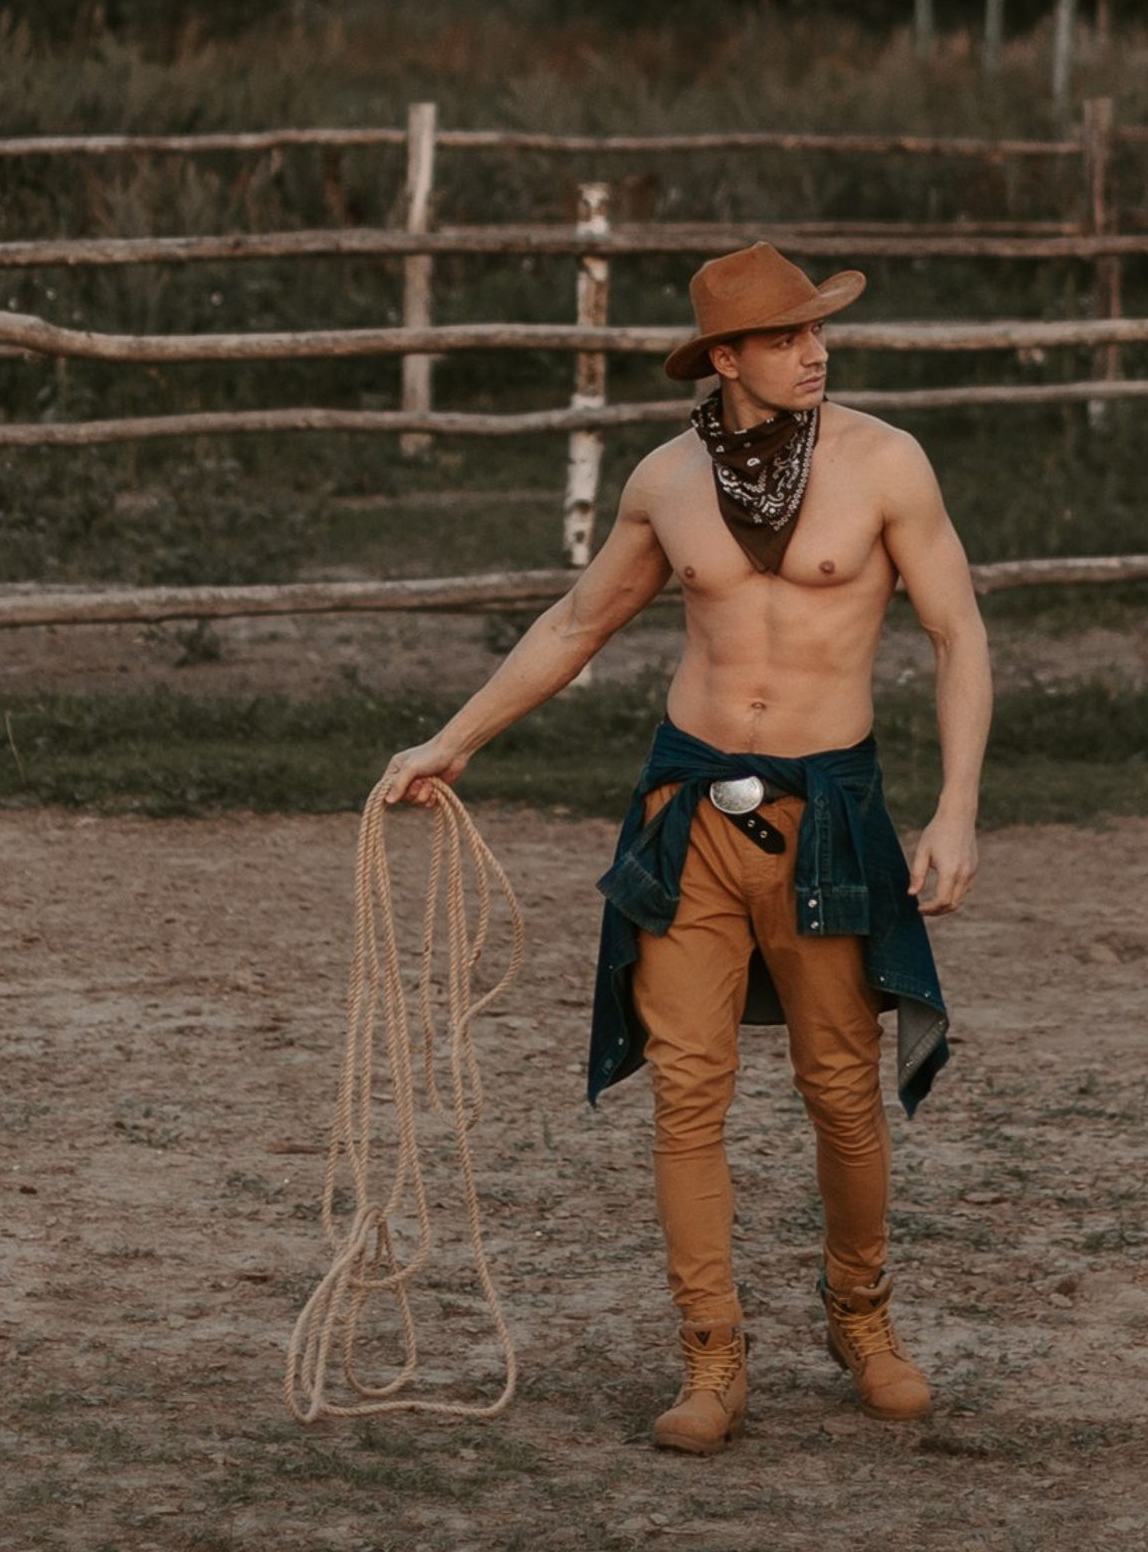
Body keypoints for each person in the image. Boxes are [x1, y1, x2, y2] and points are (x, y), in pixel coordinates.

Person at [387, 240, 989, 1455]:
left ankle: (860, 1315)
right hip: (687, 809)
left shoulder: (885, 462)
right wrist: (452, 742)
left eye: (820, 332)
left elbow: (957, 631)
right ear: (726, 357)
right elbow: (576, 621)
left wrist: (957, 808)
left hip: (831, 811)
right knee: (687, 1095)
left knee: (840, 1091)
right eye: (785, 337)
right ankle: (710, 1352)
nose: (814, 352)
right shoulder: (664, 481)